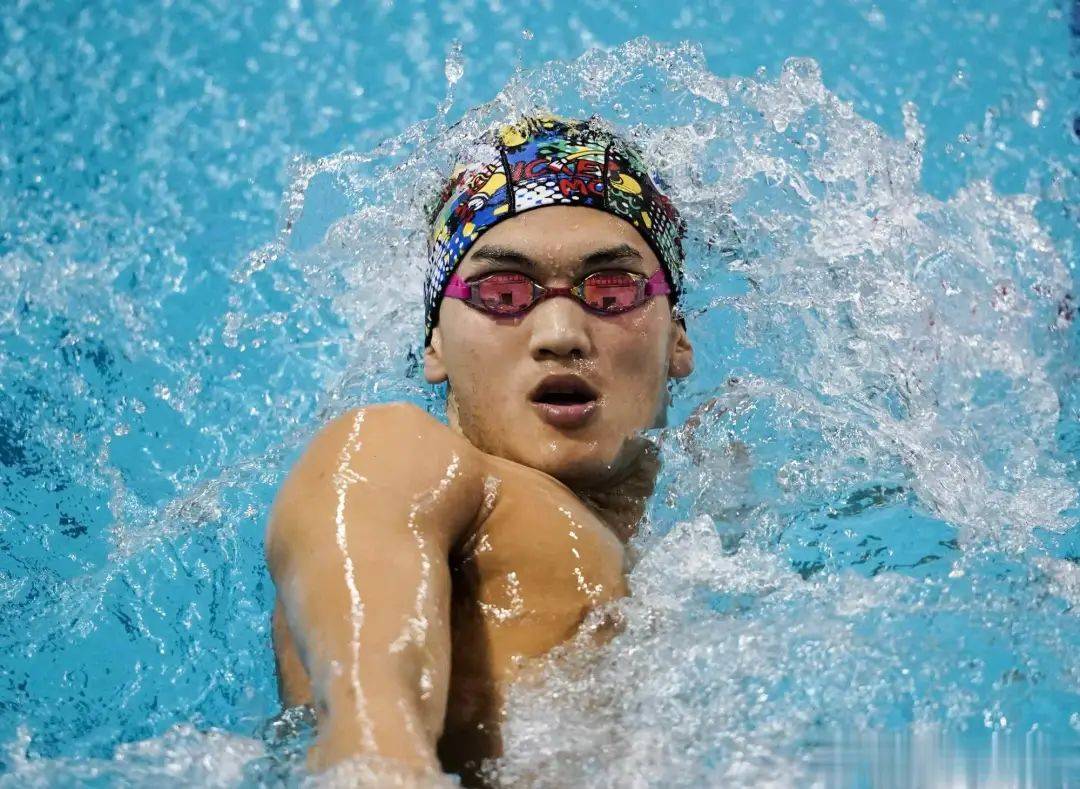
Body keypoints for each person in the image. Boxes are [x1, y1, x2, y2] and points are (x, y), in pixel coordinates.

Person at [265, 114, 694, 785]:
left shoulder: (700, 550)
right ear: (435, 343)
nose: (560, 332)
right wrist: (379, 758)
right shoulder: (390, 452)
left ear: (678, 340)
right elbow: (369, 723)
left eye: (611, 290)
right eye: (504, 294)